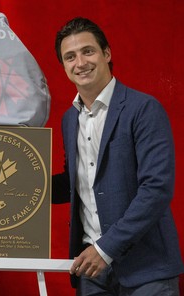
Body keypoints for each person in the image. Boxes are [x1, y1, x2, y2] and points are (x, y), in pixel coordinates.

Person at [52, 17, 183, 295]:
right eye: (70, 57)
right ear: (63, 65)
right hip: (91, 272)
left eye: (88, 51)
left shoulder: (143, 108)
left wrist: (105, 248)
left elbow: (156, 189)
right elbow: (75, 182)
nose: (80, 63)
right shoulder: (69, 119)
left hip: (147, 270)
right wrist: (18, 190)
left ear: (107, 53)